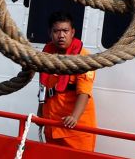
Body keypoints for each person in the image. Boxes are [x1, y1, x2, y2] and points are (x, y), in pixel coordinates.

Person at [36, 11, 97, 151]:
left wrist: (74, 117)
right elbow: (43, 88)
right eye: (56, 31)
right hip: (52, 125)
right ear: (50, 33)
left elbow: (84, 92)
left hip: (76, 130)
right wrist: (40, 113)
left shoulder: (83, 58)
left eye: (65, 31)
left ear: (72, 32)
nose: (61, 35)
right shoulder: (47, 56)